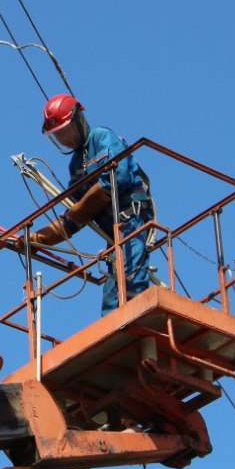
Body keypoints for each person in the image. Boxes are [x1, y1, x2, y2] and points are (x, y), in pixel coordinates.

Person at [28, 94, 154, 316]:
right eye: (58, 136)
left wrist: (80, 210)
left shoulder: (102, 137)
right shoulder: (76, 165)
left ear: (78, 120)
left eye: (65, 132)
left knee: (131, 286)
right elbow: (74, 215)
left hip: (129, 223)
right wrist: (38, 239)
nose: (64, 139)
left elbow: (115, 180)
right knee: (111, 301)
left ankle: (138, 328)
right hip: (113, 238)